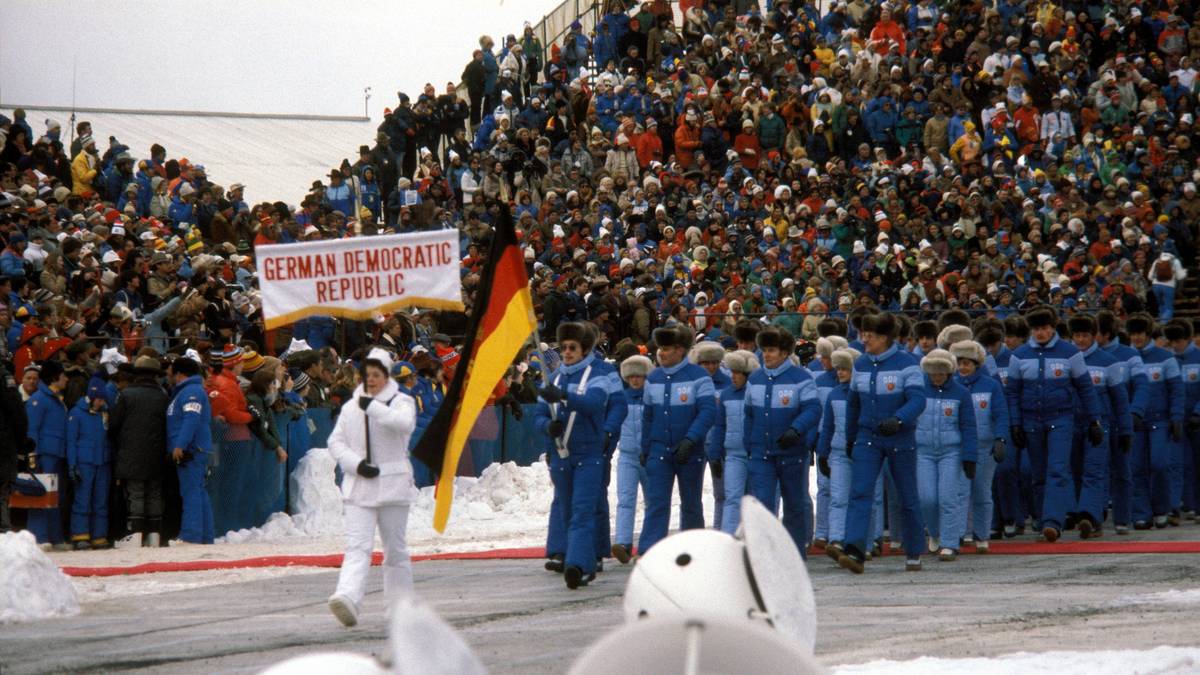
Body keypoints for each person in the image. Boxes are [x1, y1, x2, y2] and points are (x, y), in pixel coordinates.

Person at [326, 347, 418, 626]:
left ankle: (401, 609)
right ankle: (347, 598)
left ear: (387, 376)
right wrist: (355, 464)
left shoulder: (402, 401)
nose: (372, 380)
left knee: (395, 551)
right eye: (368, 375)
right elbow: (335, 442)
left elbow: (404, 425)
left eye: (377, 375)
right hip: (360, 488)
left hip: (393, 487)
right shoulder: (350, 406)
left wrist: (374, 407)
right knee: (357, 547)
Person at [1005, 307, 1104, 542]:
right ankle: (1042, 519)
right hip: (1031, 421)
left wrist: (1094, 420)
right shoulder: (1019, 355)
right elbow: (1012, 393)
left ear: (1053, 328)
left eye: (1045, 328)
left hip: (1061, 419)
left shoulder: (1069, 353)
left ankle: (1053, 522)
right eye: (1037, 329)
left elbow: (1086, 389)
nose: (1041, 333)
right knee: (1038, 473)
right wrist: (1015, 424)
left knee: (1058, 470)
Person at [837, 313, 926, 573]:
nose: (864, 339)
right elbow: (853, 404)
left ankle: (913, 550)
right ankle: (854, 549)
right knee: (860, 491)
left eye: (870, 335)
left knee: (907, 496)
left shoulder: (907, 363)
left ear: (885, 338)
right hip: (868, 437)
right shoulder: (861, 364)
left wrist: (899, 419)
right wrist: (850, 436)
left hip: (900, 437)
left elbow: (918, 400)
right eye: (863, 334)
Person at [535, 322, 609, 589]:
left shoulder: (598, 374)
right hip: (562, 455)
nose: (566, 352)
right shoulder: (553, 378)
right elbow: (539, 415)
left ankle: (578, 565)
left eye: (572, 348)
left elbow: (594, 404)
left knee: (582, 510)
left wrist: (565, 396)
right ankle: (579, 560)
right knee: (567, 510)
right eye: (563, 347)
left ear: (584, 349)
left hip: (588, 453)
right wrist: (547, 426)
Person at [638, 324, 716, 554]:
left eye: (667, 348)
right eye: (659, 348)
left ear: (680, 350)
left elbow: (708, 412)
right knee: (656, 503)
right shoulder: (653, 378)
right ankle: (649, 551)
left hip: (689, 451)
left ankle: (694, 550)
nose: (661, 353)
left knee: (691, 504)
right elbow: (648, 417)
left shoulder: (698, 376)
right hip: (659, 450)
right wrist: (646, 447)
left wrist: (691, 440)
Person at [744, 326, 821, 557]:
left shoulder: (801, 378)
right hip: (761, 453)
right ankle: (766, 553)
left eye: (772, 350)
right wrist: (749, 443)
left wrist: (796, 430)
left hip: (791, 451)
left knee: (794, 505)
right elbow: (748, 414)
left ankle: (795, 552)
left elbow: (813, 408)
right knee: (763, 504)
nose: (766, 355)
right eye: (764, 350)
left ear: (785, 352)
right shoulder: (755, 378)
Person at [1067, 315, 1131, 539]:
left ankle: (1089, 516)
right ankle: (1088, 510)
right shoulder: (1067, 359)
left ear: (1093, 336)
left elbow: (1120, 399)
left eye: (1085, 335)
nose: (1080, 340)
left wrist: (1125, 429)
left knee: (1094, 470)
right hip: (1071, 423)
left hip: (1099, 424)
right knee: (1075, 470)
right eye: (1077, 336)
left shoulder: (1108, 361)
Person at [914, 349, 977, 561]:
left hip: (951, 452)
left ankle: (950, 543)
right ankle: (934, 532)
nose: (937, 376)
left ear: (949, 372)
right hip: (924, 452)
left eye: (941, 372)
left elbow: (968, 426)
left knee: (948, 498)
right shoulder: (919, 391)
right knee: (927, 498)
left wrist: (969, 456)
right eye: (933, 372)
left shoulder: (961, 393)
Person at [1124, 314, 1185, 529]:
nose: (1136, 337)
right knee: (1136, 467)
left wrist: (1176, 417)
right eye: (1133, 334)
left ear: (1148, 333)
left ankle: (1161, 508)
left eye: (1140, 333)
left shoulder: (1165, 357)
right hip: (1135, 424)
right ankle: (1142, 513)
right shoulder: (1126, 357)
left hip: (1160, 421)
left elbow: (1177, 391)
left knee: (1159, 464)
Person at [950, 340, 1009, 552]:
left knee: (982, 491)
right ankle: (960, 532)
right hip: (959, 446)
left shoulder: (991, 385)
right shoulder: (951, 386)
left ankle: (982, 534)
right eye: (959, 363)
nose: (963, 367)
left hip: (985, 446)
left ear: (977, 364)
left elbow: (1001, 413)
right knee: (959, 492)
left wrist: (1001, 438)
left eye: (968, 363)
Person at [109, 355, 170, 547]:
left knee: (135, 493)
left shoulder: (127, 394)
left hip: (131, 452)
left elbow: (114, 425)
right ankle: (154, 535)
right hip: (157, 452)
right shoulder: (163, 395)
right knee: (154, 492)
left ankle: (135, 534)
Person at [816, 347, 868, 560]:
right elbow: (827, 425)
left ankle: (866, 539)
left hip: (863, 451)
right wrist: (822, 452)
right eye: (838, 369)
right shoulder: (834, 394)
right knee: (838, 497)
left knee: (863, 496)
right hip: (838, 453)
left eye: (845, 368)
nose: (840, 372)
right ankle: (836, 539)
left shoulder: (865, 394)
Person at [166, 355, 215, 545]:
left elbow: (191, 419)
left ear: (179, 374)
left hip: (192, 450)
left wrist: (180, 445)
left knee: (191, 492)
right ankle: (205, 535)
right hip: (195, 448)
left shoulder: (190, 391)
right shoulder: (187, 391)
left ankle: (190, 535)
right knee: (198, 492)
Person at [712, 349, 758, 535]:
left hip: (755, 453)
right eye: (732, 372)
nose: (734, 377)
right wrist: (715, 454)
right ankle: (729, 537)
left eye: (738, 373)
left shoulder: (755, 394)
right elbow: (719, 425)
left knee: (754, 499)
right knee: (732, 496)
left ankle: (753, 537)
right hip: (733, 454)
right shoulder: (726, 394)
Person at [611, 354, 651, 563]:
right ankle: (623, 543)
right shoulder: (621, 399)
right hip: (627, 456)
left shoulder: (652, 398)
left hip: (650, 456)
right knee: (625, 499)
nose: (636, 380)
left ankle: (650, 542)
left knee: (653, 501)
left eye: (640, 376)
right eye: (632, 376)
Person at [25, 359, 69, 547]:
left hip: (56, 453)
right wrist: (32, 455)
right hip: (44, 454)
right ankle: (39, 537)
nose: (66, 379)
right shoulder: (39, 400)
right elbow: (32, 429)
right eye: (63, 375)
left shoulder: (55, 398)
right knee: (40, 495)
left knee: (54, 497)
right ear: (54, 377)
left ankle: (54, 537)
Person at [66, 377, 112, 550]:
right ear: (91, 397)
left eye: (103, 399)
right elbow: (71, 441)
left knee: (100, 500)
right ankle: (80, 534)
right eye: (99, 399)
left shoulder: (105, 413)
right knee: (82, 499)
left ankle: (99, 535)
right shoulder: (76, 413)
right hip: (84, 463)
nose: (101, 402)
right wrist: (72, 464)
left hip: (102, 462)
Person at [690, 339, 730, 531]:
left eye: (714, 362)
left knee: (722, 492)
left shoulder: (728, 383)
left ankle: (720, 529)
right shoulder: (691, 383)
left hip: (718, 443)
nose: (710, 366)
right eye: (705, 363)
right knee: (691, 493)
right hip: (695, 442)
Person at [1164, 319, 1200, 520]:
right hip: (1176, 421)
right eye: (1171, 341)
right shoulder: (1169, 361)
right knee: (1178, 463)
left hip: (1196, 420)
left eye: (1178, 341)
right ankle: (1181, 504)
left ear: (1188, 339)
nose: (1174, 345)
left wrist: (1198, 412)